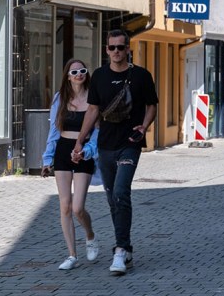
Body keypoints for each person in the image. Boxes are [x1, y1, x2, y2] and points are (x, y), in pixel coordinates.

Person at [74, 30, 158, 276]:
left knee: (121, 192)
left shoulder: (141, 75)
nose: (117, 52)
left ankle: (120, 250)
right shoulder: (99, 76)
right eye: (112, 47)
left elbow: (152, 105)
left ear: (128, 49)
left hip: (130, 143)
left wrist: (144, 126)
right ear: (106, 50)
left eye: (121, 47)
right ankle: (127, 247)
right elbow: (92, 110)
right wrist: (80, 140)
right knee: (113, 199)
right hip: (105, 146)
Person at [42, 59, 100, 271]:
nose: (78, 74)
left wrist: (86, 151)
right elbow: (54, 131)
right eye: (74, 72)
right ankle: (72, 254)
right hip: (63, 151)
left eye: (82, 71)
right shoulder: (60, 98)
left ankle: (90, 235)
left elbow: (97, 132)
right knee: (65, 205)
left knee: (77, 208)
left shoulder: (94, 98)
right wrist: (47, 159)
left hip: (84, 151)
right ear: (67, 76)